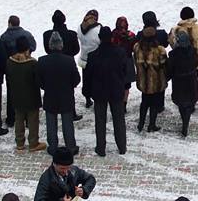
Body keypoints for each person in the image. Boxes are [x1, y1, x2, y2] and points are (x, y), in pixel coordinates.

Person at [83, 26, 128, 156]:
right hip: (116, 90)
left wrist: (87, 92)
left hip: (99, 92)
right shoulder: (120, 53)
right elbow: (124, 71)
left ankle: (101, 147)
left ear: (99, 38)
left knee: (100, 121)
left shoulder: (93, 56)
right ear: (112, 37)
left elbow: (88, 76)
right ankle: (122, 146)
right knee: (119, 120)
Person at [37, 32, 81, 153]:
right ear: (61, 45)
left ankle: (53, 147)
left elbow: (39, 80)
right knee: (67, 124)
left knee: (51, 124)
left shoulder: (42, 61)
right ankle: (71, 146)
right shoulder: (69, 61)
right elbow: (76, 79)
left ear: (50, 46)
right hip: (66, 96)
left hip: (50, 96)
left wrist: (47, 87)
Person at [5, 37, 46, 152]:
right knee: (32, 120)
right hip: (31, 96)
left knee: (19, 119)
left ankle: (19, 143)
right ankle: (33, 143)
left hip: (16, 95)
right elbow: (38, 81)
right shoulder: (32, 63)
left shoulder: (9, 62)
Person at [134, 26, 168, 132]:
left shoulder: (137, 47)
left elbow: (135, 61)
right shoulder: (159, 50)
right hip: (155, 81)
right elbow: (164, 65)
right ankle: (151, 125)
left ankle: (141, 123)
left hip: (143, 81)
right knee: (154, 103)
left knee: (144, 102)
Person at [168, 30, 198, 137]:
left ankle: (185, 122)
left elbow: (170, 68)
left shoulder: (173, 54)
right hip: (191, 80)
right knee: (189, 102)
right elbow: (196, 63)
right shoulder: (193, 51)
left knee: (181, 103)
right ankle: (185, 122)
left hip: (179, 82)